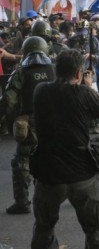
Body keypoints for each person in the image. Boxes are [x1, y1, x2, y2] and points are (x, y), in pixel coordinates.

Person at [30, 49, 99, 249]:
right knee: (94, 228)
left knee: (43, 227)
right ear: (78, 73)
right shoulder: (85, 93)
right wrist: (89, 86)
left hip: (48, 172)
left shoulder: (40, 90)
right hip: (81, 172)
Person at [0, 37, 55, 214]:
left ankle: (22, 202)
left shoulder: (22, 71)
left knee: (22, 161)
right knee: (51, 158)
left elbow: (9, 99)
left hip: (29, 122)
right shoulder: (54, 68)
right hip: (54, 122)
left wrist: (8, 121)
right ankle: (51, 198)